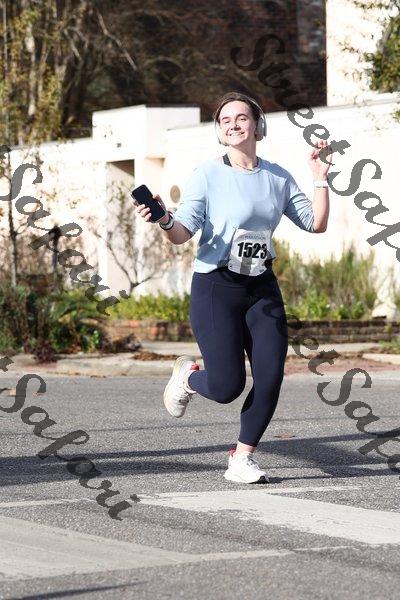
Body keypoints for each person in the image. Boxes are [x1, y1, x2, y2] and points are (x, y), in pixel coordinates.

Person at [136, 91, 331, 484]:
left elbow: (316, 223)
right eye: (225, 120)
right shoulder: (207, 175)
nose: (234, 125)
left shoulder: (277, 177)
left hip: (261, 287)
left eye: (241, 117)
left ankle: (242, 457)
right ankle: (188, 377)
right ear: (219, 131)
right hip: (216, 287)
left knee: (271, 376)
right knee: (227, 387)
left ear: (258, 125)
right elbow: (182, 232)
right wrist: (163, 219)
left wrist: (320, 178)